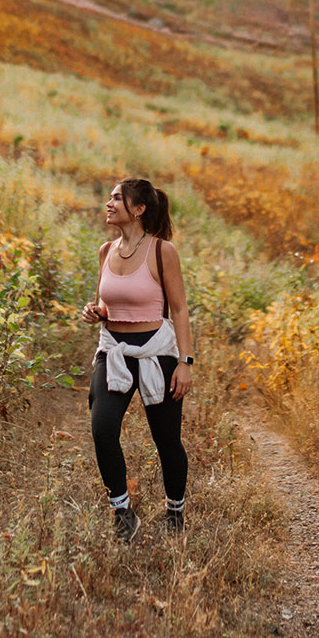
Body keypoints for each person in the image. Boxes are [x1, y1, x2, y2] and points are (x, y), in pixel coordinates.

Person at [79, 177, 193, 543]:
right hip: (113, 349)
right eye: (110, 196)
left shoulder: (162, 252)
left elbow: (179, 309)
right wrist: (97, 312)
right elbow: (107, 302)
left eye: (117, 198)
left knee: (167, 441)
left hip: (157, 351)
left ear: (139, 209)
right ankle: (123, 513)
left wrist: (185, 362)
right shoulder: (106, 250)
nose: (109, 203)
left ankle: (175, 510)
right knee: (102, 429)